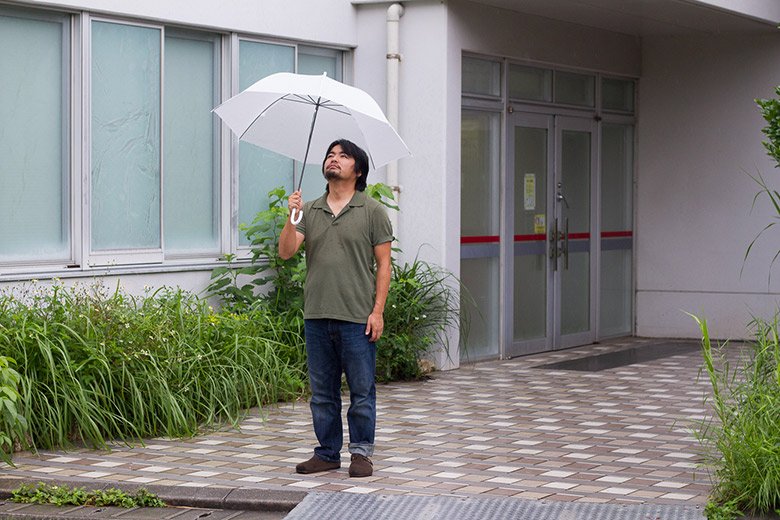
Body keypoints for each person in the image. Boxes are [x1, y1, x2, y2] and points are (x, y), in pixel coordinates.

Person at [279, 138, 392, 478]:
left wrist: (377, 311)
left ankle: (361, 454)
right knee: (322, 394)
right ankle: (327, 453)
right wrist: (291, 216)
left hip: (357, 317)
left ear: (358, 171)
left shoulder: (372, 211)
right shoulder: (310, 209)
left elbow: (384, 265)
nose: (334, 159)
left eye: (343, 156)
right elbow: (286, 252)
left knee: (361, 391)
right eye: (330, 154)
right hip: (317, 315)